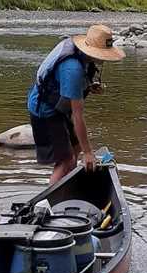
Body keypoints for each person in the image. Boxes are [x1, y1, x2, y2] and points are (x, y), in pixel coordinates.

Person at [27, 24, 125, 184]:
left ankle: (67, 184)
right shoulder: (72, 69)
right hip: (45, 110)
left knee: (76, 147)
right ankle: (49, 202)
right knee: (65, 160)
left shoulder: (82, 55)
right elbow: (77, 116)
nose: (104, 58)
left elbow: (67, 86)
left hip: (58, 104)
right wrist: (88, 153)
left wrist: (89, 86)